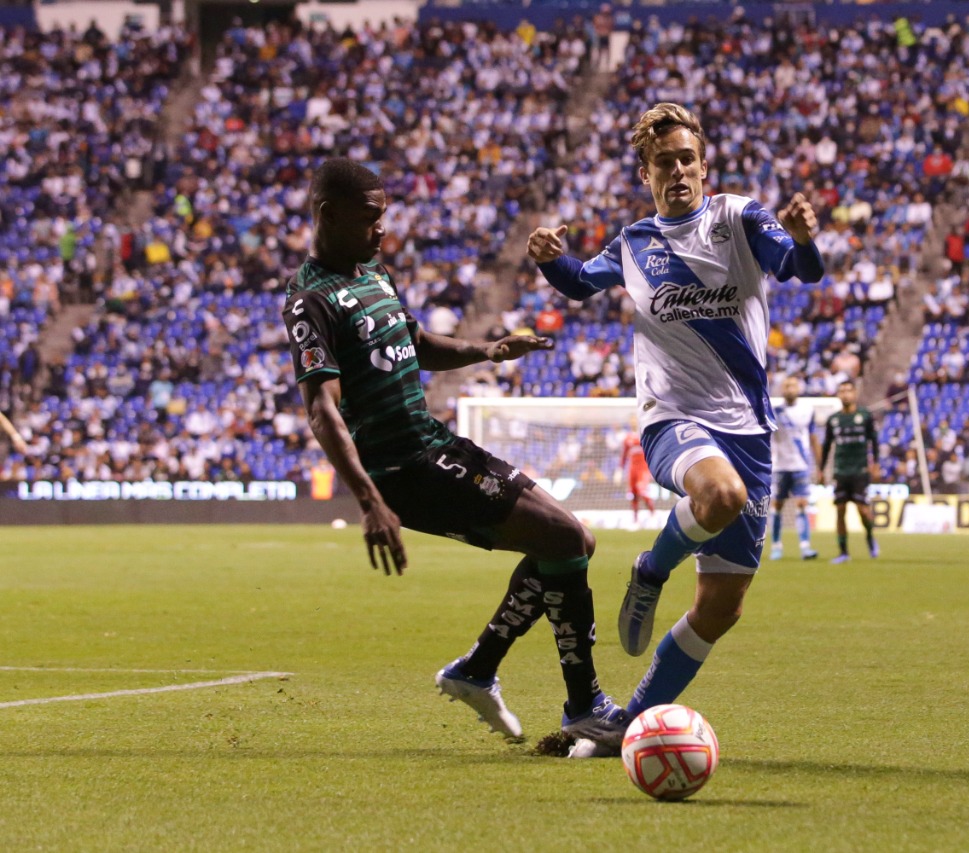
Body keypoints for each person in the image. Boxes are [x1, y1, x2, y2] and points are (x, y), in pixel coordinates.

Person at [284, 158, 628, 750]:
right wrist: (369, 500)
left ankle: (478, 670)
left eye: (384, 217)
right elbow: (322, 410)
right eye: (370, 219)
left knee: (575, 542)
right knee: (566, 540)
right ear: (326, 215)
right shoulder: (310, 301)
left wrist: (489, 350)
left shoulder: (374, 271)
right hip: (403, 470)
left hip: (434, 442)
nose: (381, 229)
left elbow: (414, 344)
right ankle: (582, 708)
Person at [526, 103, 823, 754]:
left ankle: (625, 726)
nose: (679, 169)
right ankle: (652, 569)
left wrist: (803, 239)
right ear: (646, 172)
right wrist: (551, 259)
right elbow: (579, 284)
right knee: (719, 496)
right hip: (674, 419)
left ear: (704, 164)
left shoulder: (739, 218)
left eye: (688, 158)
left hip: (748, 430)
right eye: (665, 161)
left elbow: (799, 269)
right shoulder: (634, 242)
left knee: (721, 607)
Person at [817, 381, 880, 563]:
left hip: (860, 470)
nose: (845, 394)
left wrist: (875, 464)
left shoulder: (864, 416)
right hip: (840, 470)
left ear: (855, 394)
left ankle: (869, 536)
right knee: (840, 510)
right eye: (841, 391)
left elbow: (873, 441)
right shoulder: (833, 420)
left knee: (863, 510)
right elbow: (827, 446)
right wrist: (821, 470)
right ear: (838, 395)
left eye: (848, 391)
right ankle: (843, 552)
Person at [769, 374, 820, 560]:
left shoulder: (807, 410)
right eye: (787, 386)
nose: (790, 389)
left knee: (802, 504)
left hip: (801, 465)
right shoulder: (774, 411)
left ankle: (805, 546)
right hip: (780, 466)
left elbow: (813, 438)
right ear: (782, 389)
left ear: (799, 389)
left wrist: (819, 465)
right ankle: (776, 546)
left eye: (793, 386)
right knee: (777, 505)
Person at [621, 420, 655, 526]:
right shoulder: (627, 438)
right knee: (633, 494)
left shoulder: (645, 434)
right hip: (632, 468)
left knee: (642, 491)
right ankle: (635, 520)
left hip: (643, 468)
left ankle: (653, 515)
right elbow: (624, 456)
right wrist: (620, 469)